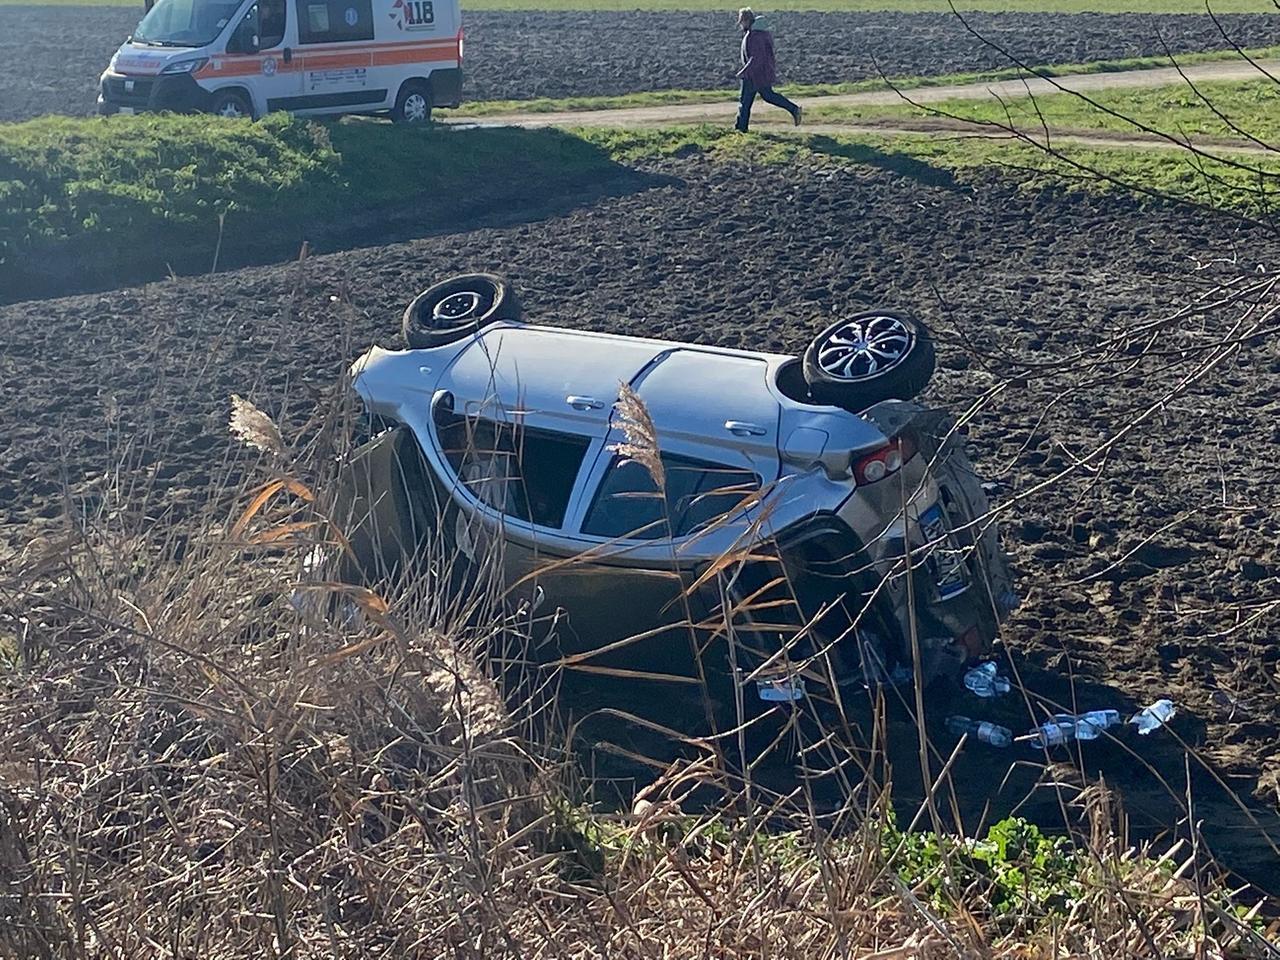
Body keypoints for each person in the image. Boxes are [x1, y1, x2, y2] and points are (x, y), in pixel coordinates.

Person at [735, 8, 801, 133]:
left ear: (746, 20)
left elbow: (756, 58)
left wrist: (745, 72)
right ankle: (794, 109)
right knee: (767, 96)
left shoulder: (755, 36)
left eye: (741, 21)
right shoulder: (759, 33)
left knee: (745, 102)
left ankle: (741, 130)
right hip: (761, 74)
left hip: (754, 75)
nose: (741, 25)